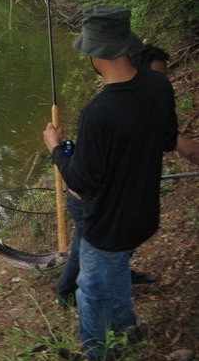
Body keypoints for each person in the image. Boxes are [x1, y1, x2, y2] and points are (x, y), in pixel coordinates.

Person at [43, 5, 180, 361]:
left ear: (92, 53)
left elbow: (82, 182)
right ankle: (126, 329)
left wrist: (56, 149)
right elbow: (167, 139)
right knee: (114, 277)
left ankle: (99, 355)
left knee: (93, 289)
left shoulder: (99, 112)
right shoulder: (158, 84)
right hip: (144, 213)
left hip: (108, 226)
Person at [56, 43, 199, 308]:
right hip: (93, 203)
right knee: (87, 254)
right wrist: (57, 150)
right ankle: (67, 292)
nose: (162, 78)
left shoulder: (126, 102)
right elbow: (82, 180)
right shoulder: (108, 109)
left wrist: (55, 148)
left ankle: (106, 302)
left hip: (115, 214)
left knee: (97, 260)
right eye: (157, 72)